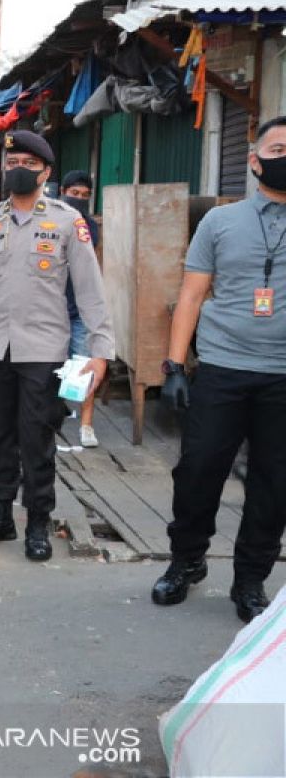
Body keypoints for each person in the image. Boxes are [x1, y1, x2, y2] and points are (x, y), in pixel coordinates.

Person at [0, 130, 114, 562]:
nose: (19, 170)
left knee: (37, 441)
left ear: (46, 172)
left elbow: (90, 290)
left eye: (28, 164)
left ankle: (37, 522)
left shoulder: (67, 221)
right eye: (12, 162)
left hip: (43, 351)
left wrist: (101, 350)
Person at [152, 116, 286, 623]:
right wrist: (174, 366)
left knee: (274, 485)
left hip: (282, 377)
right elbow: (191, 294)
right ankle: (185, 562)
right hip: (222, 369)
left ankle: (250, 580)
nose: (284, 155)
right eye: (277, 147)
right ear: (254, 161)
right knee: (197, 472)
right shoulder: (219, 222)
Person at [59, 170, 103, 448]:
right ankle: (49, 415)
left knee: (86, 366)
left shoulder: (89, 226)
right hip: (50, 311)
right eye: (74, 194)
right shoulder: (48, 222)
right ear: (62, 191)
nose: (79, 199)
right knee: (48, 368)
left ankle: (86, 425)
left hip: (79, 310)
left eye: (85, 196)